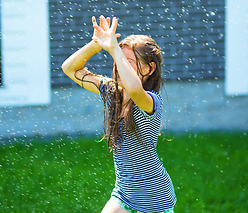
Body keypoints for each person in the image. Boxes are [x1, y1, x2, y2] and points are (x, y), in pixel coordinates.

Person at [62, 15, 177, 213]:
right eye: (117, 60)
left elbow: (134, 89)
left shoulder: (149, 101)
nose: (119, 66)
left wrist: (115, 49)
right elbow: (69, 69)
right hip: (124, 194)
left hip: (155, 200)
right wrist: (96, 44)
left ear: (150, 69)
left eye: (127, 61)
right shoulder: (111, 91)